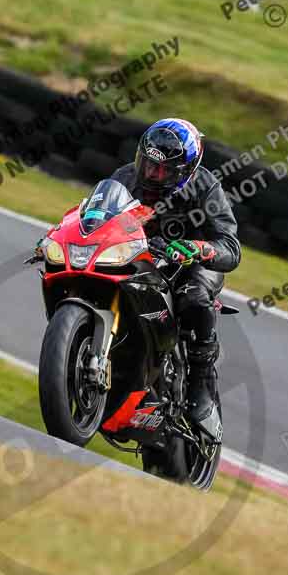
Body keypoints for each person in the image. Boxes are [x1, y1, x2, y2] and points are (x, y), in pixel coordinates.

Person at [110, 118, 241, 427]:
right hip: (141, 257)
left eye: (164, 170)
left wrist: (199, 248)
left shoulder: (205, 187)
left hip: (192, 266)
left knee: (194, 298)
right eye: (148, 165)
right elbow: (94, 215)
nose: (153, 175)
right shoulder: (124, 178)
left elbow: (230, 247)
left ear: (185, 172)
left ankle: (201, 385)